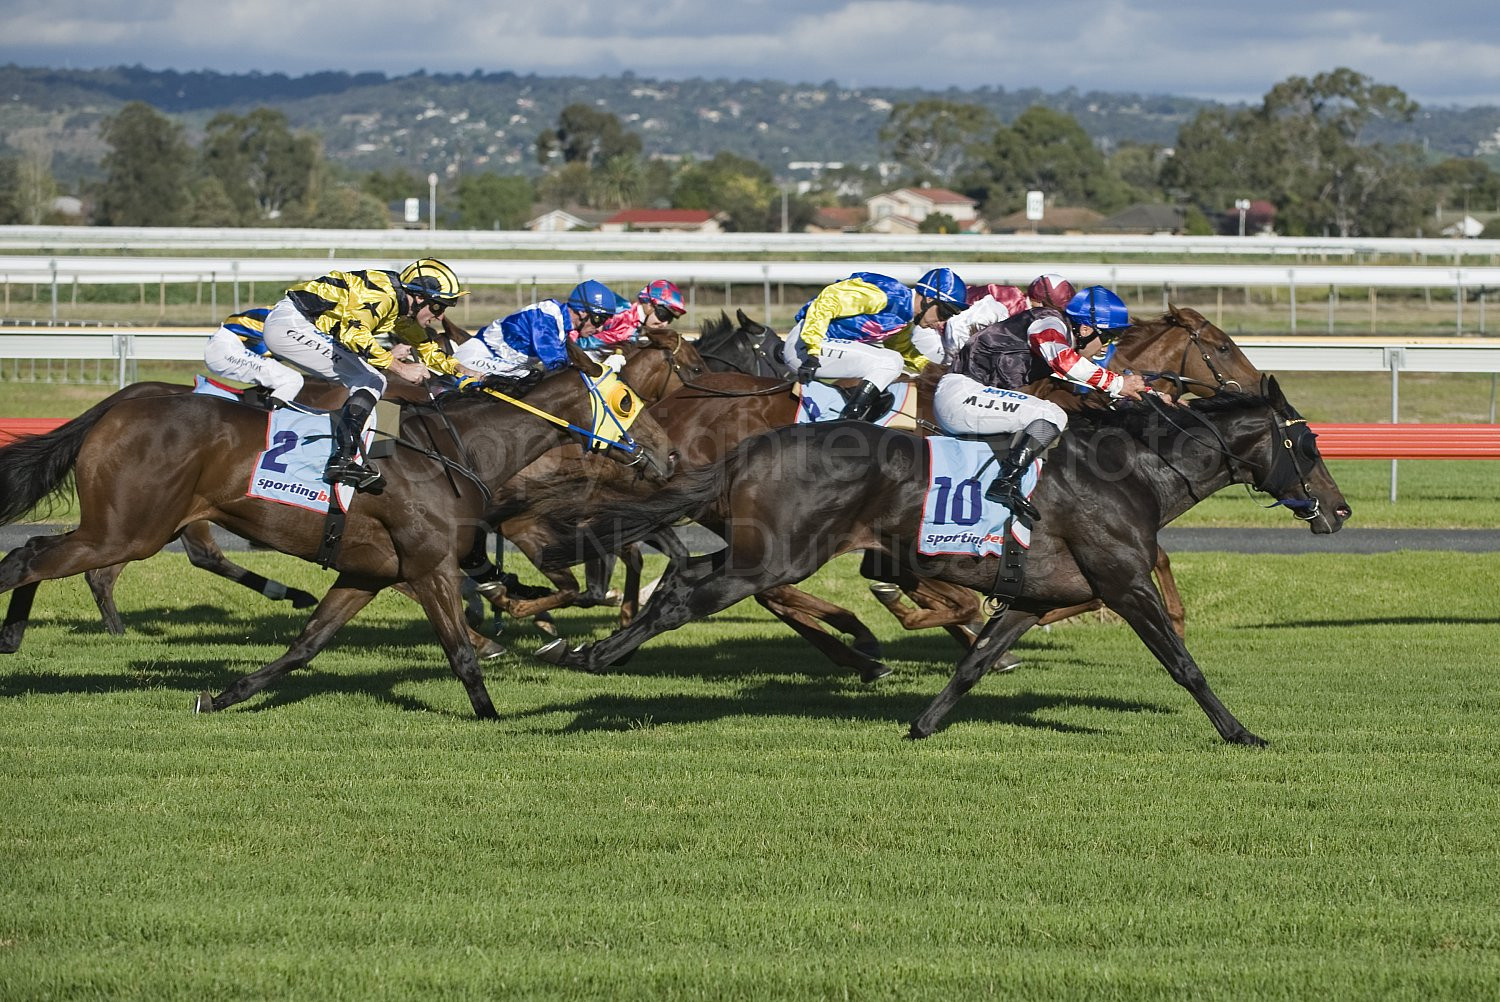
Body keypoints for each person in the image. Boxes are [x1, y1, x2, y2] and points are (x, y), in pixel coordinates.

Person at [932, 284, 1148, 521]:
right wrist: (1117, 384)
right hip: (962, 394)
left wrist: (1148, 393)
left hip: (968, 395)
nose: (1106, 347)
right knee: (1050, 415)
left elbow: (1086, 379)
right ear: (1086, 329)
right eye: (1107, 337)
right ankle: (1005, 484)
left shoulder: (1060, 338)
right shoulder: (1049, 322)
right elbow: (1064, 362)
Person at [261, 257, 470, 493]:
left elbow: (426, 347)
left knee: (371, 379)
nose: (441, 316)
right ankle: (342, 458)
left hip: (299, 325)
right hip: (291, 324)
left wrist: (461, 370)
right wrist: (401, 368)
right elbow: (355, 336)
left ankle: (343, 453)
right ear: (420, 297)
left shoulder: (400, 306)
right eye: (438, 307)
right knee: (371, 379)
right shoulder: (382, 295)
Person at [779, 268, 967, 422]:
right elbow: (827, 300)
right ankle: (850, 418)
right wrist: (812, 349)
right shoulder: (885, 295)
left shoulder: (902, 319)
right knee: (891, 361)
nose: (943, 323)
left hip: (820, 349)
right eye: (944, 313)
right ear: (927, 298)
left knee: (893, 363)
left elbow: (903, 350)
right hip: (806, 345)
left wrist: (935, 370)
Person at [456, 279, 626, 380]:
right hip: (475, 358)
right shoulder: (546, 319)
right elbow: (558, 369)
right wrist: (603, 369)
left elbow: (569, 360)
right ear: (582, 312)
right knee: (529, 381)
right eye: (599, 320)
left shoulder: (559, 323)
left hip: (501, 362)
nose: (599, 328)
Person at [919, 273, 1076, 364]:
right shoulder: (1005, 304)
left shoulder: (1024, 308)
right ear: (1042, 302)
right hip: (934, 335)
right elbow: (957, 327)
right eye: (1057, 311)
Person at [201, 304, 303, 403]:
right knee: (292, 379)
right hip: (225, 349)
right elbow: (263, 349)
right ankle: (271, 417)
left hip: (226, 345)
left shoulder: (290, 313)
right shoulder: (289, 319)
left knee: (280, 377)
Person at [588, 280, 687, 349]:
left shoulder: (638, 327)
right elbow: (580, 340)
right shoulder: (620, 313)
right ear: (649, 304)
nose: (664, 324)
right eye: (664, 315)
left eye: (670, 319)